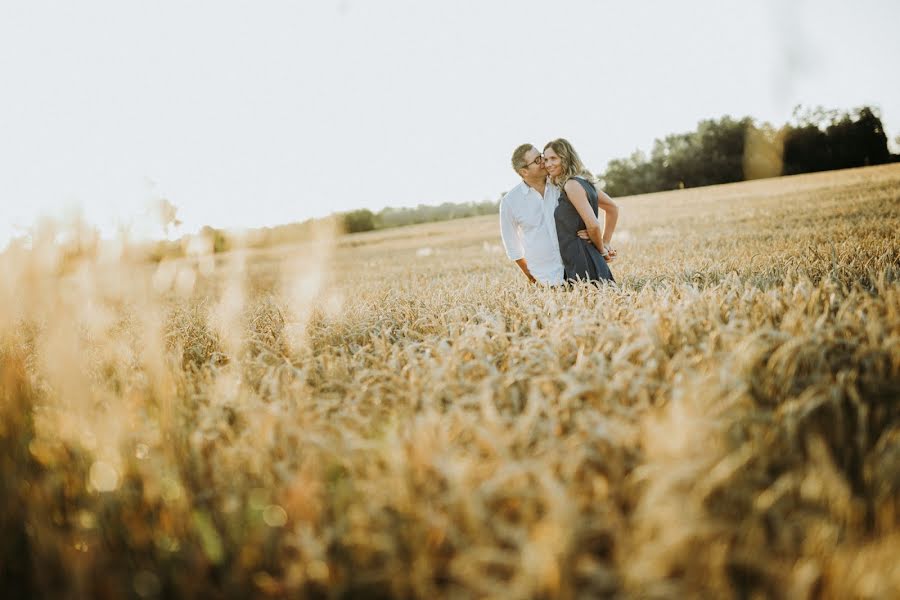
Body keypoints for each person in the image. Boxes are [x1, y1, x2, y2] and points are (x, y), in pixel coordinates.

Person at [543, 138, 618, 284]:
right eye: (545, 160)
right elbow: (612, 208)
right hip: (581, 256)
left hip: (581, 258)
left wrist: (603, 249)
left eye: (553, 158)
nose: (548, 164)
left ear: (566, 158)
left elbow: (594, 225)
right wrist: (605, 242)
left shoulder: (571, 185)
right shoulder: (582, 182)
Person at [498, 144, 566, 285]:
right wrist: (533, 277)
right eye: (537, 160)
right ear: (524, 172)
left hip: (577, 267)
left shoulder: (562, 184)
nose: (544, 161)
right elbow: (512, 246)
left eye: (541, 156)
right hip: (545, 277)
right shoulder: (509, 202)